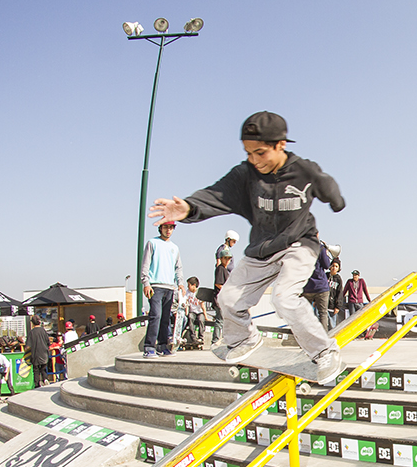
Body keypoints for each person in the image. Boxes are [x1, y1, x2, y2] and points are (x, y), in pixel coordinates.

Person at [148, 111, 346, 383]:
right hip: (262, 249)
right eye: (248, 153)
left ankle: (324, 351)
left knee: (284, 298)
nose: (254, 160)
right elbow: (216, 194)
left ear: (281, 145)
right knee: (228, 299)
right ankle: (245, 338)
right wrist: (190, 207)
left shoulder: (304, 171)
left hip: (300, 243)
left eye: (260, 153)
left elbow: (328, 185)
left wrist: (335, 200)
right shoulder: (246, 175)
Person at [138, 219, 183, 358]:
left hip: (170, 287)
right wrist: (146, 283)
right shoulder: (152, 243)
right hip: (155, 286)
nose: (168, 230)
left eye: (171, 228)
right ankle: (149, 347)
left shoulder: (175, 248)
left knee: (165, 318)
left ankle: (162, 346)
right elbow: (146, 263)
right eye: (165, 227)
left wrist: (180, 283)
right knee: (155, 316)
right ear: (160, 228)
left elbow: (178, 267)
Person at [212, 232, 237, 344]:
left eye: (229, 259)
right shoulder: (220, 267)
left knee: (224, 320)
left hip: (225, 294)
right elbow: (218, 282)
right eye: (233, 241)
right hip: (220, 296)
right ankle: (215, 340)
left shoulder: (225, 269)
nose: (228, 261)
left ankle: (222, 340)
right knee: (220, 320)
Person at [27, 315, 50, 388]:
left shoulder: (31, 332)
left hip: (35, 354)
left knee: (36, 371)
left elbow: (28, 345)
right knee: (43, 369)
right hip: (44, 353)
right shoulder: (43, 331)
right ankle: (45, 379)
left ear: (32, 323)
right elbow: (48, 342)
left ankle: (37, 384)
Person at [326, 259, 344, 330]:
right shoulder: (325, 276)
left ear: (338, 268)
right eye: (333, 266)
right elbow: (319, 288)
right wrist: (315, 300)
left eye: (336, 266)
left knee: (332, 325)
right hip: (322, 304)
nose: (334, 268)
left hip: (332, 306)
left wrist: (338, 306)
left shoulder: (338, 279)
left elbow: (340, 293)